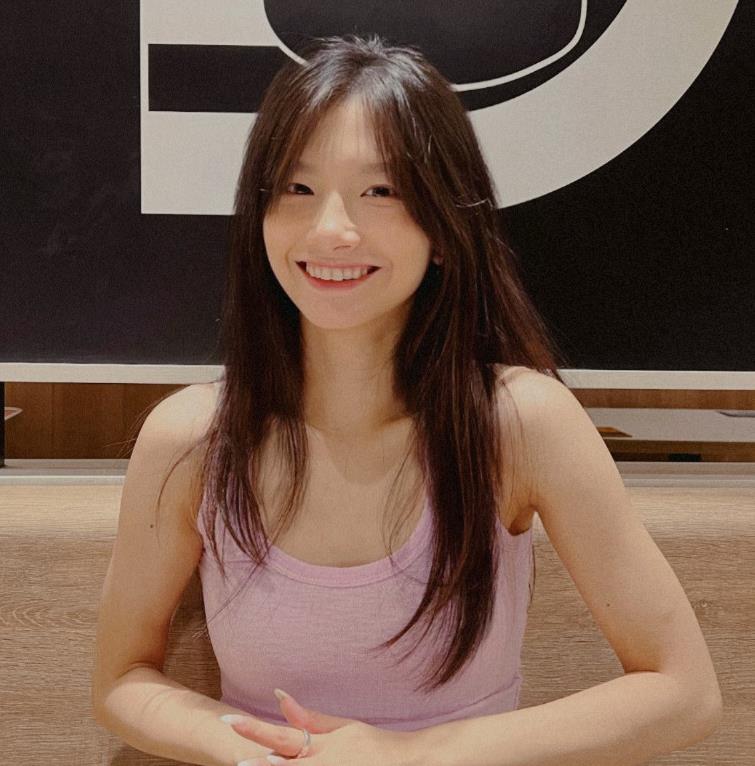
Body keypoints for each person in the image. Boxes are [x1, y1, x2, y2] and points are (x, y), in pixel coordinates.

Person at [92, 34, 722, 766]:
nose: (331, 228)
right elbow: (121, 678)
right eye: (295, 189)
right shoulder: (192, 437)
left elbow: (683, 692)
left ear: (445, 229)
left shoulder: (519, 422)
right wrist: (262, 751)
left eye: (381, 191)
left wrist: (407, 754)